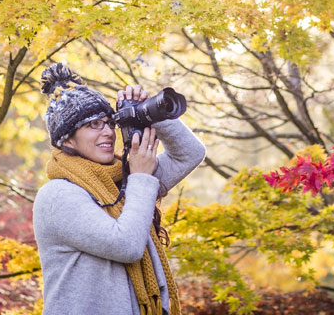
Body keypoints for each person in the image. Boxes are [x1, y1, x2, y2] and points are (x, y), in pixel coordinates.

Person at [32, 63, 205, 315]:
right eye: (93, 125)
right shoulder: (57, 195)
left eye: (108, 123)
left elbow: (189, 154)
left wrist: (151, 115)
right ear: (67, 139)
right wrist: (141, 178)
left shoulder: (123, 182)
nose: (107, 133)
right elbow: (126, 245)